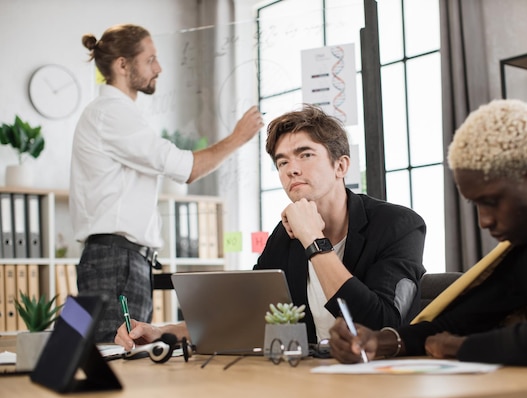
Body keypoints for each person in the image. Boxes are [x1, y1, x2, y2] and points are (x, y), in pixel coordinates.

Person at [329, 99, 527, 398]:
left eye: (492, 202)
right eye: (476, 205)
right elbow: (456, 322)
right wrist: (382, 340)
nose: (484, 221)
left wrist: (460, 348)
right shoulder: (525, 249)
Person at [114, 104, 427, 349]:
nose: (291, 169)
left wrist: (314, 241)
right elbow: (247, 316)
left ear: (341, 166)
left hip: (382, 381)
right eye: (282, 162)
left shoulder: (398, 225)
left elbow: (383, 325)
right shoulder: (285, 234)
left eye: (305, 155)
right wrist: (162, 332)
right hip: (312, 379)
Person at [70, 23, 263, 343]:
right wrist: (238, 137)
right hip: (117, 263)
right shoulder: (112, 113)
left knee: (126, 353)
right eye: (150, 59)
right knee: (121, 355)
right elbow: (186, 168)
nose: (158, 68)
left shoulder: (114, 113)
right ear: (122, 64)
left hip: (121, 261)